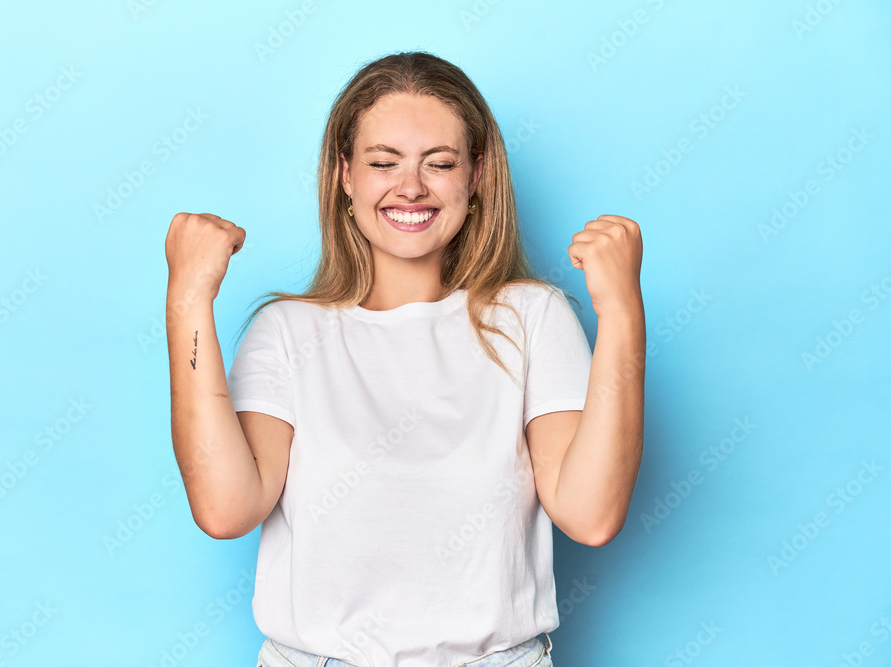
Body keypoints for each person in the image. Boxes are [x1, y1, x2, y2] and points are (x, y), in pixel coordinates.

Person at [164, 51, 645, 667]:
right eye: (382, 163)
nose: (411, 187)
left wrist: (623, 314)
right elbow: (225, 509)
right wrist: (188, 301)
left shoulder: (531, 319)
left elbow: (592, 514)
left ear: (477, 176)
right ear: (345, 176)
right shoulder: (287, 332)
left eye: (439, 163)